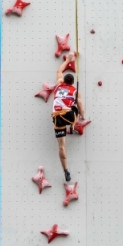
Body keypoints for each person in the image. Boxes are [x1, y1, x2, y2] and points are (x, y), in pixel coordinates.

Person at [52, 52, 85, 182]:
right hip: (69, 116)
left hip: (57, 118)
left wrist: (68, 60)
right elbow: (81, 107)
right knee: (76, 107)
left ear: (64, 81)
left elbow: (59, 71)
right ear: (72, 83)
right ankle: (73, 126)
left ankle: (65, 171)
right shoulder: (75, 91)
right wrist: (82, 117)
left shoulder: (58, 85)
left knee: (61, 147)